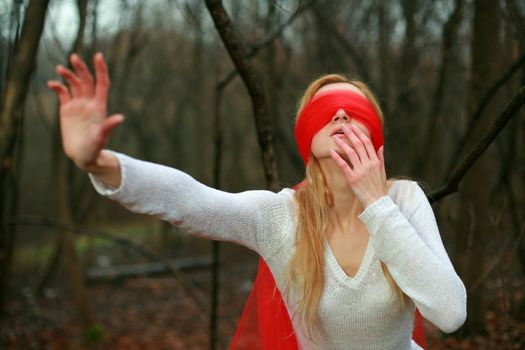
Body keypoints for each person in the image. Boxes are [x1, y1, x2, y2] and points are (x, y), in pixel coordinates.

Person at [47, 53, 467, 350]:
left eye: (354, 110)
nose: (340, 115)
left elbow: (451, 313)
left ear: (374, 134)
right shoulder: (280, 217)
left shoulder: (404, 200)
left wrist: (378, 205)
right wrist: (98, 163)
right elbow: (190, 201)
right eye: (327, 109)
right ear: (306, 135)